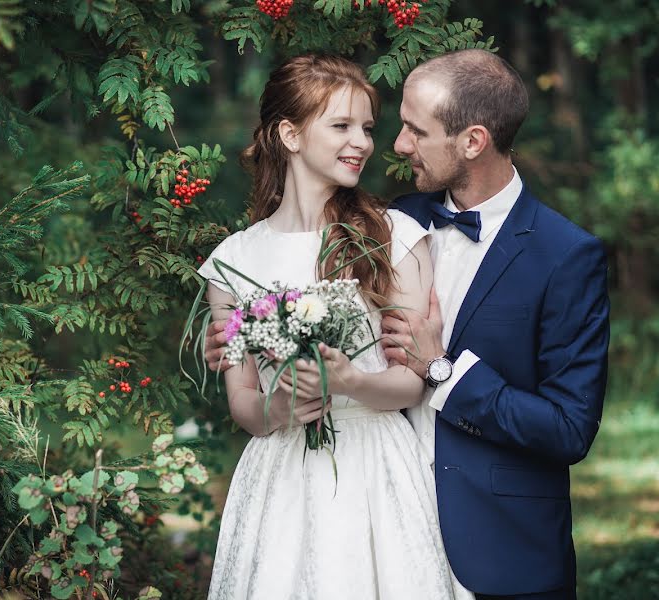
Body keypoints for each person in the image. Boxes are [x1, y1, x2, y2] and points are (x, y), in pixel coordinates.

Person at [198, 55, 472, 599]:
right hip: (282, 472)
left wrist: (350, 381)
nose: (363, 142)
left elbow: (411, 382)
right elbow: (242, 401)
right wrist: (276, 409)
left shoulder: (393, 236)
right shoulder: (233, 261)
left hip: (375, 464)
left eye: (368, 128)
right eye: (342, 125)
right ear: (290, 134)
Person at [378, 49, 610, 600]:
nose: (399, 144)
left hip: (504, 553)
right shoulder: (395, 221)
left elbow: (569, 428)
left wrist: (443, 372)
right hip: (387, 533)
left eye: (416, 130)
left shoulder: (566, 256)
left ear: (473, 141)